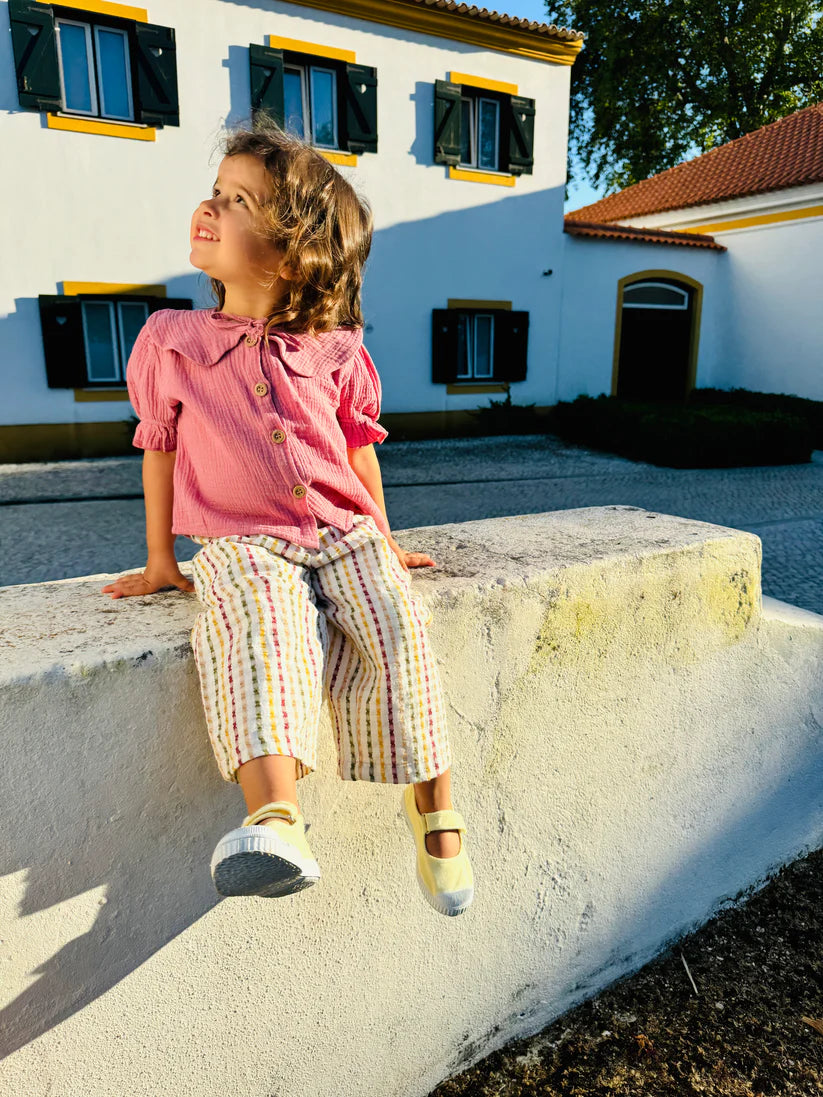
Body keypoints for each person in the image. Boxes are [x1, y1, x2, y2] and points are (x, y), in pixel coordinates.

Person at [101, 117, 473, 916]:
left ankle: (435, 808)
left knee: (399, 633)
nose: (210, 207)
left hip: (345, 528)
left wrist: (384, 534)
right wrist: (163, 559)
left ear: (294, 249)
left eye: (239, 202)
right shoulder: (172, 340)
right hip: (241, 541)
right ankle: (275, 817)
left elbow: (357, 449)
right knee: (259, 635)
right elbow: (158, 448)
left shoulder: (334, 345)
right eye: (216, 192)